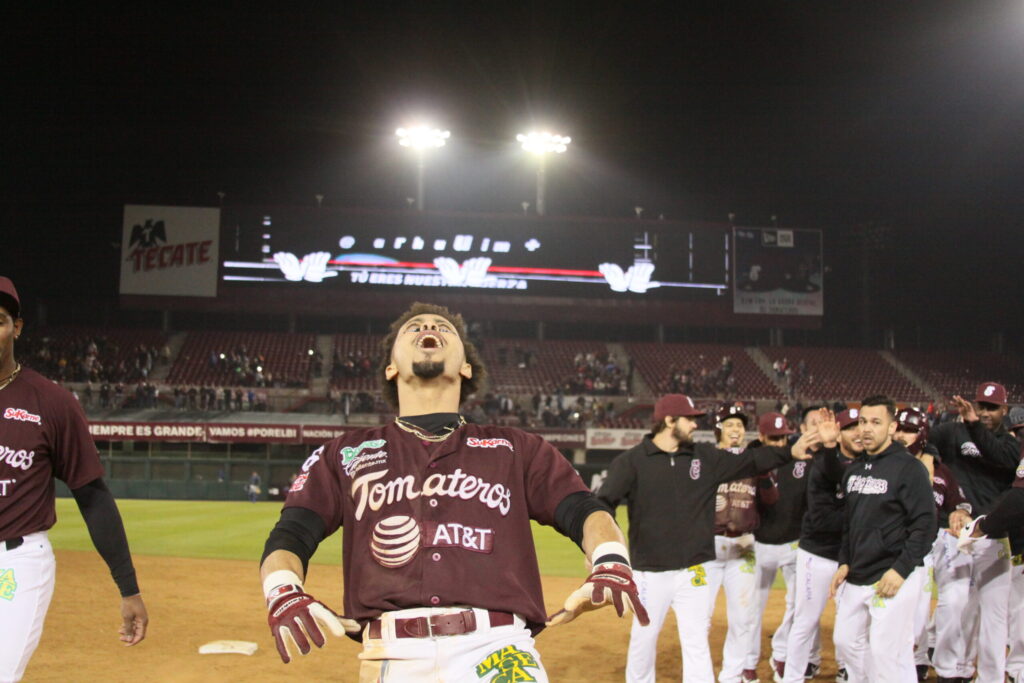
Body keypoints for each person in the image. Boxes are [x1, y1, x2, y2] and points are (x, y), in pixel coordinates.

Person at [258, 302, 647, 681]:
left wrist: (610, 560)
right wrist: (283, 590)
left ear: (466, 366)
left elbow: (584, 510)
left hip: (499, 647)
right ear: (391, 367)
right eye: (414, 328)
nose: (429, 328)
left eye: (444, 328)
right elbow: (291, 534)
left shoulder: (517, 447)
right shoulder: (343, 453)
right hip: (392, 654)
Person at [597, 396, 815, 683]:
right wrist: (606, 551)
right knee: (644, 639)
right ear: (669, 421)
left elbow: (751, 460)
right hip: (650, 571)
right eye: (689, 419)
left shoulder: (703, 457)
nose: (694, 424)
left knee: (696, 641)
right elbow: (602, 504)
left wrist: (790, 452)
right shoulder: (632, 462)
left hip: (695, 571)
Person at [0, 276, 148, 682]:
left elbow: (93, 496)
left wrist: (128, 587)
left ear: (17, 327)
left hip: (14, 562)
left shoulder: (50, 402)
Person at [829, 395, 937, 683]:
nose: (866, 429)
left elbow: (925, 525)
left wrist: (900, 570)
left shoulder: (908, 468)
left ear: (891, 428)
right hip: (858, 573)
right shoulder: (852, 470)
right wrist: (844, 561)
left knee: (887, 653)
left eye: (876, 422)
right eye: (863, 421)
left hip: (893, 573)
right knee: (845, 641)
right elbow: (850, 524)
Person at [928, 383, 1019, 683]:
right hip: (957, 532)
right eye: (981, 406)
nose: (985, 412)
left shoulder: (1010, 444)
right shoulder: (952, 432)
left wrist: (974, 425)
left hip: (993, 534)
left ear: (1004, 410)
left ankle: (990, 677)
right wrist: (930, 460)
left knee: (993, 615)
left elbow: (998, 457)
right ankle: (951, 671)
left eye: (992, 407)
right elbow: (925, 440)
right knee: (955, 606)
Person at [891, 407, 972, 682]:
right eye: (899, 429)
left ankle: (944, 666)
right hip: (905, 541)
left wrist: (960, 512)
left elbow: (959, 502)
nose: (902, 435)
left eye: (909, 430)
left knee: (957, 597)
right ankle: (915, 658)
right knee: (915, 610)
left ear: (922, 435)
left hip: (938, 538)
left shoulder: (941, 470)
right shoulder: (884, 464)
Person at [751, 406, 819, 682]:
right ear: (762, 437)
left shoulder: (802, 460)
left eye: (783, 437)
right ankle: (747, 661)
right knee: (751, 609)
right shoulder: (750, 461)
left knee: (799, 604)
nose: (780, 443)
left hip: (793, 544)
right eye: (774, 438)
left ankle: (781, 654)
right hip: (756, 545)